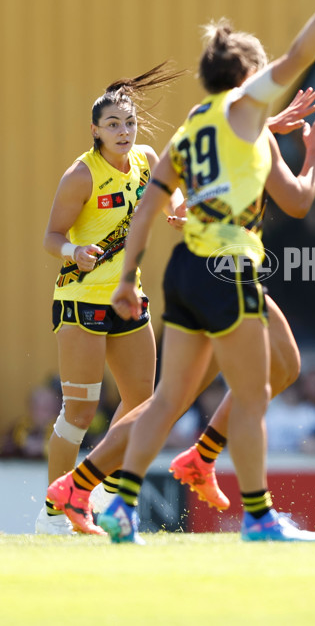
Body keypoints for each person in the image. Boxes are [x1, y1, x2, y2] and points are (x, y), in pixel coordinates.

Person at [48, 0, 315, 543]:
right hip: (227, 266)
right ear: (249, 74)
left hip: (186, 270)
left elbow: (152, 205)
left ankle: (121, 494)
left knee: (224, 382)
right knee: (250, 395)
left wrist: (127, 278)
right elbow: (298, 65)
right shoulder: (248, 107)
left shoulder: (196, 124)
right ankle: (259, 518)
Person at [36, 64, 183, 535]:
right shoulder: (81, 175)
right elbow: (51, 236)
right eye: (113, 125)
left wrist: (177, 212)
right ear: (95, 131)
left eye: (129, 123)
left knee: (144, 401)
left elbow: (168, 198)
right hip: (81, 300)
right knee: (79, 412)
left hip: (127, 297)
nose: (124, 132)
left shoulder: (143, 159)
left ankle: (91, 485)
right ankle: (53, 513)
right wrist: (73, 251)